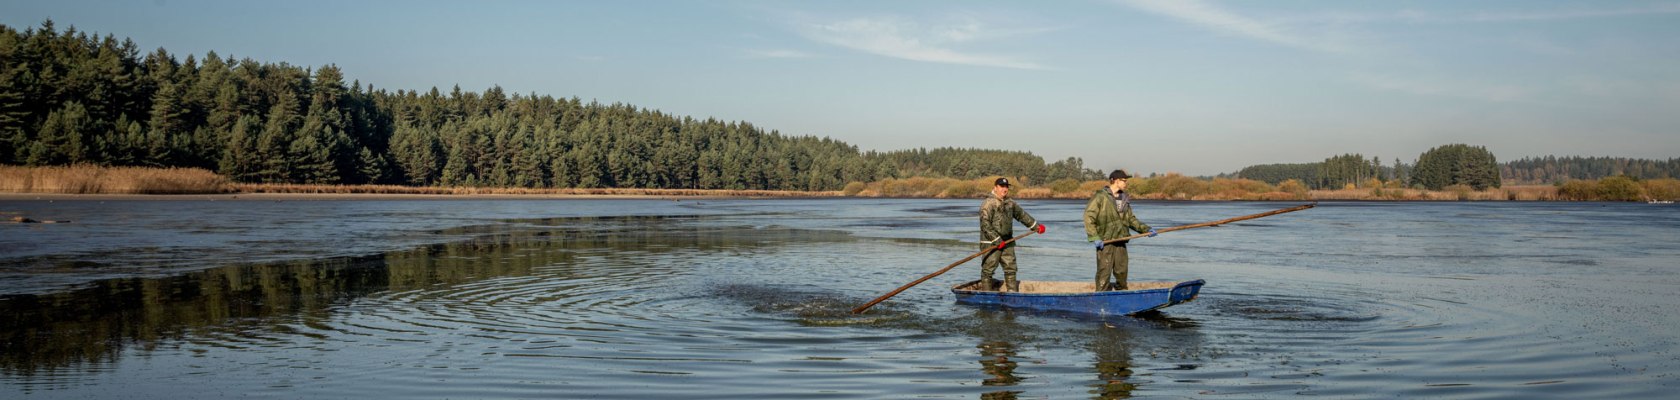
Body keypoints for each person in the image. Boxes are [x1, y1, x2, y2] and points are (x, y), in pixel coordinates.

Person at [1083, 169, 1156, 291]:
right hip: (1105, 242)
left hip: (1121, 240)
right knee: (1104, 272)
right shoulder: (1100, 197)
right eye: (1124, 180)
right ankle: (1100, 296)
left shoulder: (1124, 198)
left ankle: (1122, 294)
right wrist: (1095, 237)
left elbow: (1131, 220)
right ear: (1116, 181)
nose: (1126, 183)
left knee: (1122, 272)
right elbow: (1088, 216)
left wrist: (1146, 229)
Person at [979, 177, 1045, 292]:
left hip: (1008, 242)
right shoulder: (988, 203)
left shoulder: (1010, 203)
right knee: (988, 270)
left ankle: (1012, 294)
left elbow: (1022, 216)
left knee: (1011, 269)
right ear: (995, 188)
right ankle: (986, 295)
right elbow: (985, 225)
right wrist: (997, 240)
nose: (1005, 189)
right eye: (1002, 187)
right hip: (990, 243)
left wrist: (1036, 226)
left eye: (1006, 187)